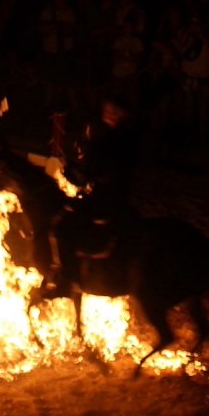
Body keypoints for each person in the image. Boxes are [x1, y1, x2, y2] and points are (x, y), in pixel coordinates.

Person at [43, 100, 140, 299]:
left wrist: (71, 170)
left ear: (118, 115)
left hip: (105, 199)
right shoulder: (128, 135)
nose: (106, 112)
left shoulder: (113, 139)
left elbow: (89, 175)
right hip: (121, 196)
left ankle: (66, 280)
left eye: (111, 110)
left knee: (59, 227)